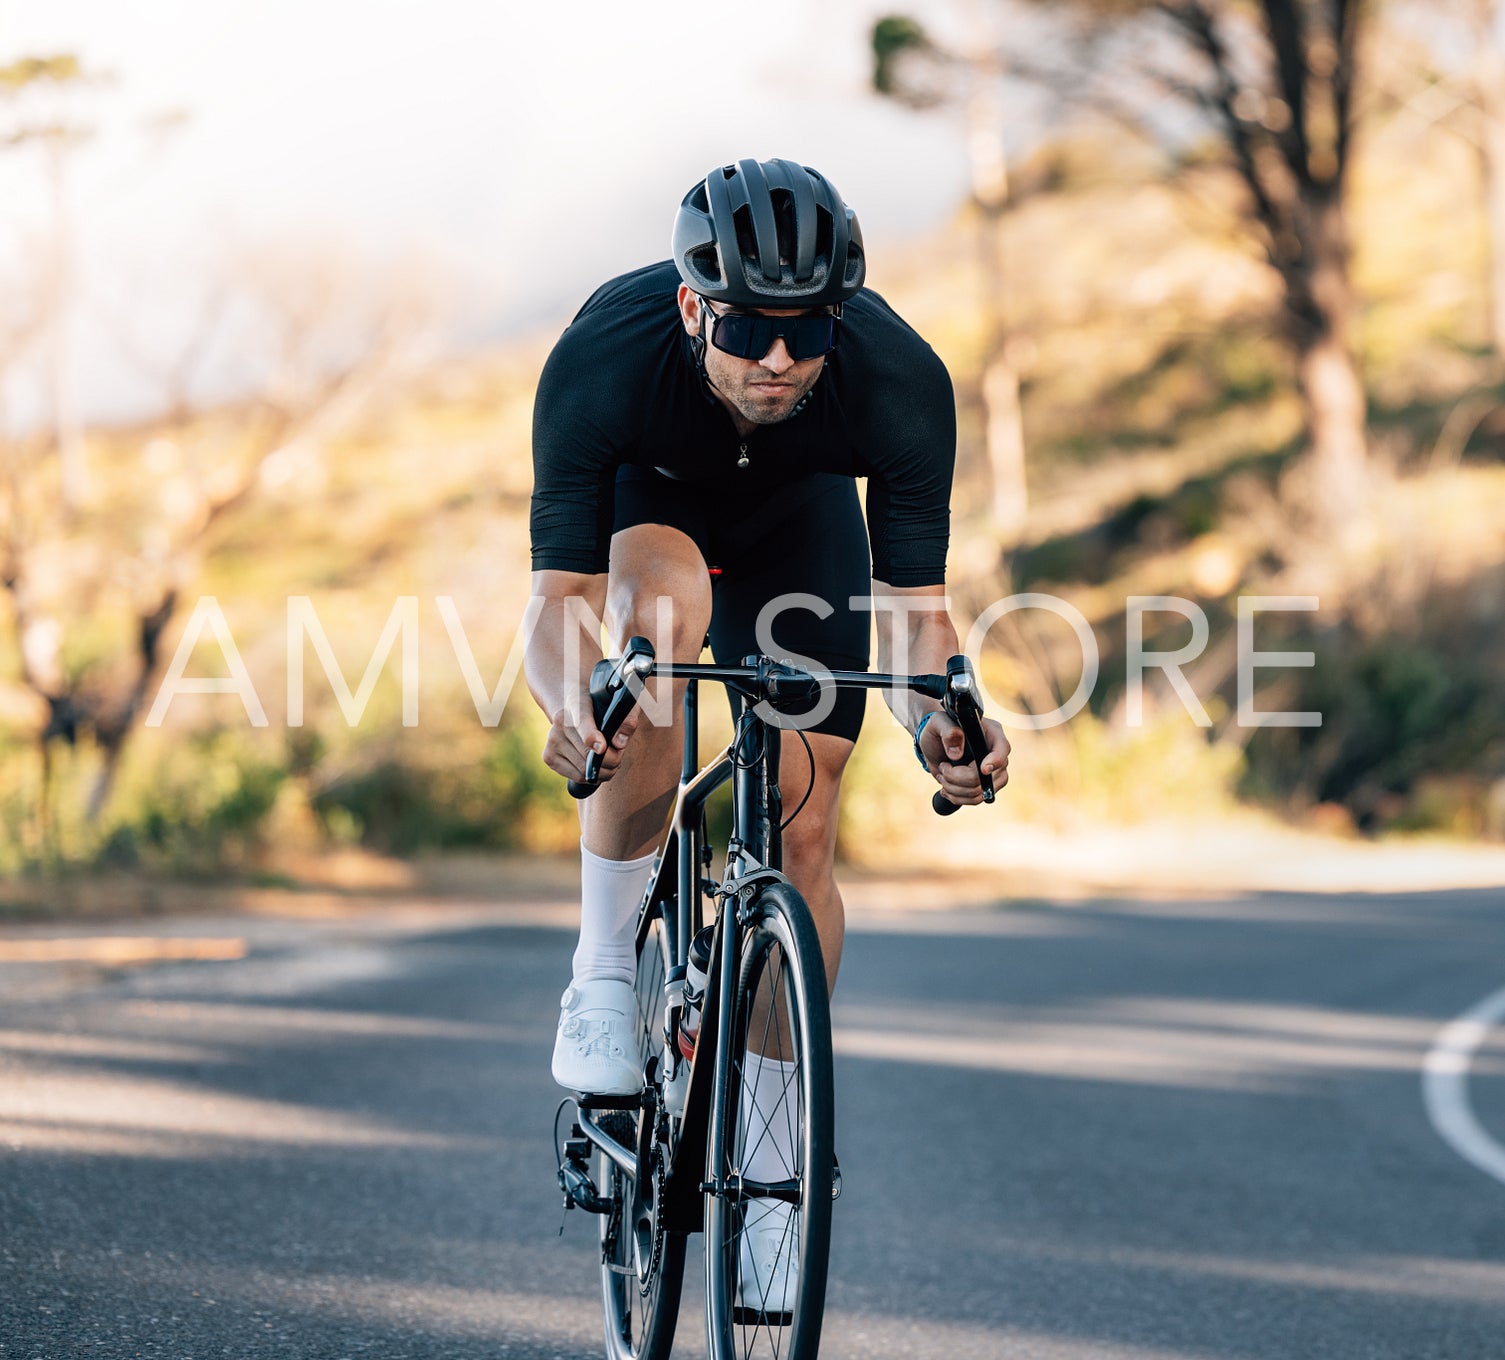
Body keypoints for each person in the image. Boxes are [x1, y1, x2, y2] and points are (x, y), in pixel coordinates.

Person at [524, 157, 1009, 1308]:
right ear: (694, 304)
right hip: (661, 518)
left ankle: (769, 1141)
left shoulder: (894, 379)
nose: (778, 358)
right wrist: (568, 702)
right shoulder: (605, 354)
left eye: (803, 331)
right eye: (747, 327)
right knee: (648, 638)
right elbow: (556, 607)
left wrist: (941, 716)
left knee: (804, 821)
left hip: (803, 538)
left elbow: (912, 622)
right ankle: (600, 968)